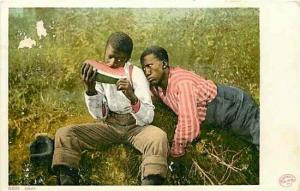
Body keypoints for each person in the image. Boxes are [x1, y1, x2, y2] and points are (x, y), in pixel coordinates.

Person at [51, 33, 168, 185]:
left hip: (136, 126)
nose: (113, 63)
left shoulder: (136, 74)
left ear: (127, 58)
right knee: (64, 133)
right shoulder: (98, 73)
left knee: (158, 137)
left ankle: (150, 184)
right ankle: (68, 183)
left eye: (120, 59)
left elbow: (149, 117)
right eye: (110, 56)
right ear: (105, 51)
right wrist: (91, 89)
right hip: (110, 125)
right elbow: (99, 114)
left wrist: (132, 97)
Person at [140, 45, 259, 159]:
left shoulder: (182, 83)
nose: (147, 72)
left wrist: (176, 153)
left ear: (164, 64)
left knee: (263, 140)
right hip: (219, 114)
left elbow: (188, 124)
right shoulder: (158, 86)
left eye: (149, 66)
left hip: (236, 107)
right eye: (144, 68)